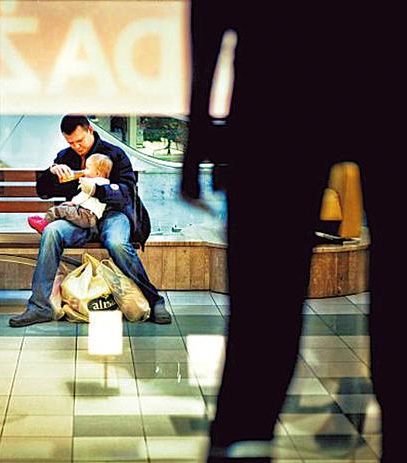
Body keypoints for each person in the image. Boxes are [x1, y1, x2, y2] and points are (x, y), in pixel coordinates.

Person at [183, 2, 403, 461]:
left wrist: (199, 126)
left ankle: (242, 431)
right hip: (384, 60)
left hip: (279, 67)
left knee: (264, 295)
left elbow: (209, 14)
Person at [9, 115, 172, 327]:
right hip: (81, 217)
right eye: (70, 143)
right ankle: (39, 307)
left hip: (113, 215)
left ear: (90, 131)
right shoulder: (65, 157)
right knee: (52, 232)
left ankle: (154, 300)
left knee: (116, 243)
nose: (76, 147)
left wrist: (98, 189)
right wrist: (51, 173)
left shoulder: (115, 154)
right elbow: (44, 192)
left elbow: (127, 192)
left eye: (80, 141)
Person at [27, 153, 113, 233]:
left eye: (87, 168)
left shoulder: (95, 183)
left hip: (86, 216)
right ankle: (46, 221)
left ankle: (44, 224)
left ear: (97, 173)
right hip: (88, 216)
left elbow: (84, 195)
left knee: (58, 210)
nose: (83, 170)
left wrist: (73, 202)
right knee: (64, 208)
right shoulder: (104, 183)